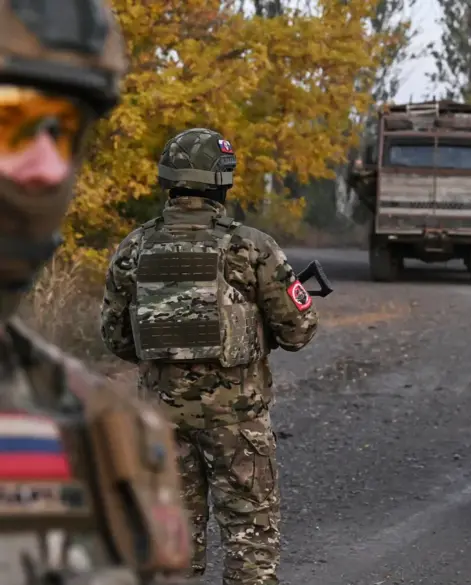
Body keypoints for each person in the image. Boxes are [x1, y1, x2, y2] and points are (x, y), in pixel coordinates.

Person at [0, 1, 191, 583]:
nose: (46, 168)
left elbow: (114, 329)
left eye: (63, 130)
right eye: (9, 117)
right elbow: (296, 327)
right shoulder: (257, 248)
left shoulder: (103, 431)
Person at [100, 127, 319, 585]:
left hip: (161, 419)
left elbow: (116, 338)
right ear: (223, 181)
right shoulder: (251, 246)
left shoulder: (135, 247)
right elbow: (299, 331)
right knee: (249, 542)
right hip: (237, 421)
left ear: (169, 180)